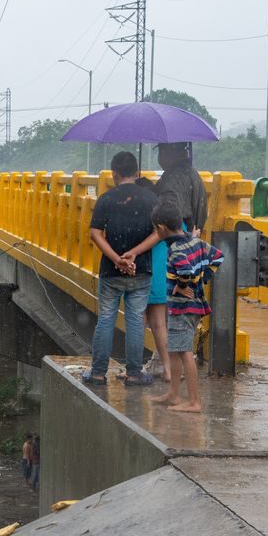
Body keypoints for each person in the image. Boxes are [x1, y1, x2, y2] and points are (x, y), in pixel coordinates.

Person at [82, 151, 158, 386]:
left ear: (114, 173)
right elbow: (159, 232)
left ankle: (97, 373)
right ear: (137, 173)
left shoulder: (106, 199)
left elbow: (95, 233)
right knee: (135, 320)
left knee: (106, 319)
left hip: (111, 271)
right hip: (141, 269)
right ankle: (134, 373)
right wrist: (134, 253)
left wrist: (117, 259)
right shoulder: (151, 199)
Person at [137, 142, 209, 380]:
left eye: (162, 151)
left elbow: (167, 218)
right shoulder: (190, 174)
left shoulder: (174, 179)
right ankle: (169, 366)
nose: (160, 157)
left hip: (169, 248)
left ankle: (170, 369)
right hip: (190, 242)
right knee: (173, 313)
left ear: (173, 152)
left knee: (161, 311)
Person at [149, 201, 223, 412]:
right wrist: (203, 279)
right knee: (175, 349)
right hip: (193, 306)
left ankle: (193, 401)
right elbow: (218, 257)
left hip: (183, 308)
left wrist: (183, 286)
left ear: (161, 228)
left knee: (184, 352)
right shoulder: (194, 242)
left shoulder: (175, 249)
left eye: (156, 229)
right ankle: (173, 394)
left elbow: (184, 270)